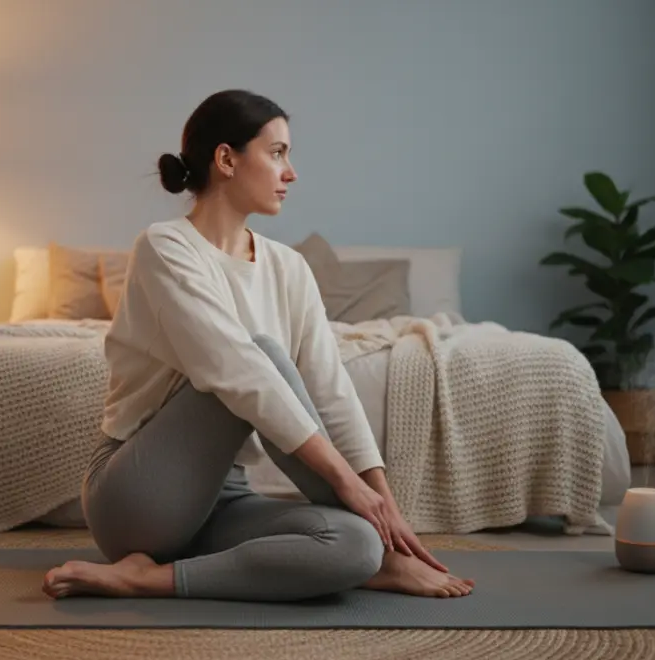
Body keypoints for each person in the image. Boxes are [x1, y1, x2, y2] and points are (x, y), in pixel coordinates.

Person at [42, 89, 474, 602]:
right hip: (137, 497)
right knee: (263, 354)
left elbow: (332, 392)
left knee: (355, 545)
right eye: (277, 153)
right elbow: (238, 371)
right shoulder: (165, 247)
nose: (291, 172)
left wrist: (382, 512)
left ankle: (148, 578)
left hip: (227, 499)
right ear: (226, 159)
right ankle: (142, 560)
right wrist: (348, 485)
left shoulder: (289, 267)